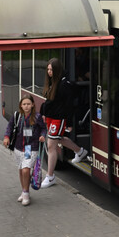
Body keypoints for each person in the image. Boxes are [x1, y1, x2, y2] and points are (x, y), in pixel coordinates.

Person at [39, 58, 87, 188]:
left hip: (58, 118)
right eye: (48, 69)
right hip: (51, 117)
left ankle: (50, 176)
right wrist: (43, 112)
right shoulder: (52, 82)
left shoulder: (64, 85)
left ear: (57, 70)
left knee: (51, 145)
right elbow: (49, 101)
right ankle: (80, 151)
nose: (49, 72)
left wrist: (69, 123)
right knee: (58, 139)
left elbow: (69, 105)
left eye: (52, 69)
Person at [3, 94, 45, 206]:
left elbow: (43, 128)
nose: (26, 106)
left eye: (28, 104)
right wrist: (6, 137)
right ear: (21, 105)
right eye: (24, 104)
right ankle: (23, 190)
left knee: (26, 170)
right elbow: (10, 127)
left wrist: (42, 135)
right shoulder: (17, 116)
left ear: (32, 105)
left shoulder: (37, 117)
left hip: (29, 148)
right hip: (18, 148)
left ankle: (26, 193)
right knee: (21, 170)